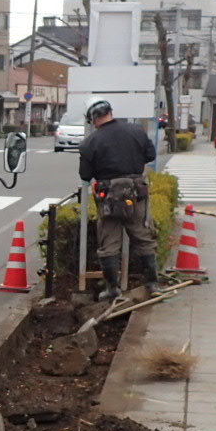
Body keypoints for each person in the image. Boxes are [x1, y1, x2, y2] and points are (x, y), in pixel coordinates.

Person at [75, 98, 157, 300]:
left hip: (108, 197)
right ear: (110, 111)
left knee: (108, 242)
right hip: (135, 193)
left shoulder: (89, 143)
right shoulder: (137, 131)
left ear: (92, 118)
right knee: (143, 237)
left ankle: (112, 288)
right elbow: (150, 155)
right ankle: (153, 284)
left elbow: (85, 175)